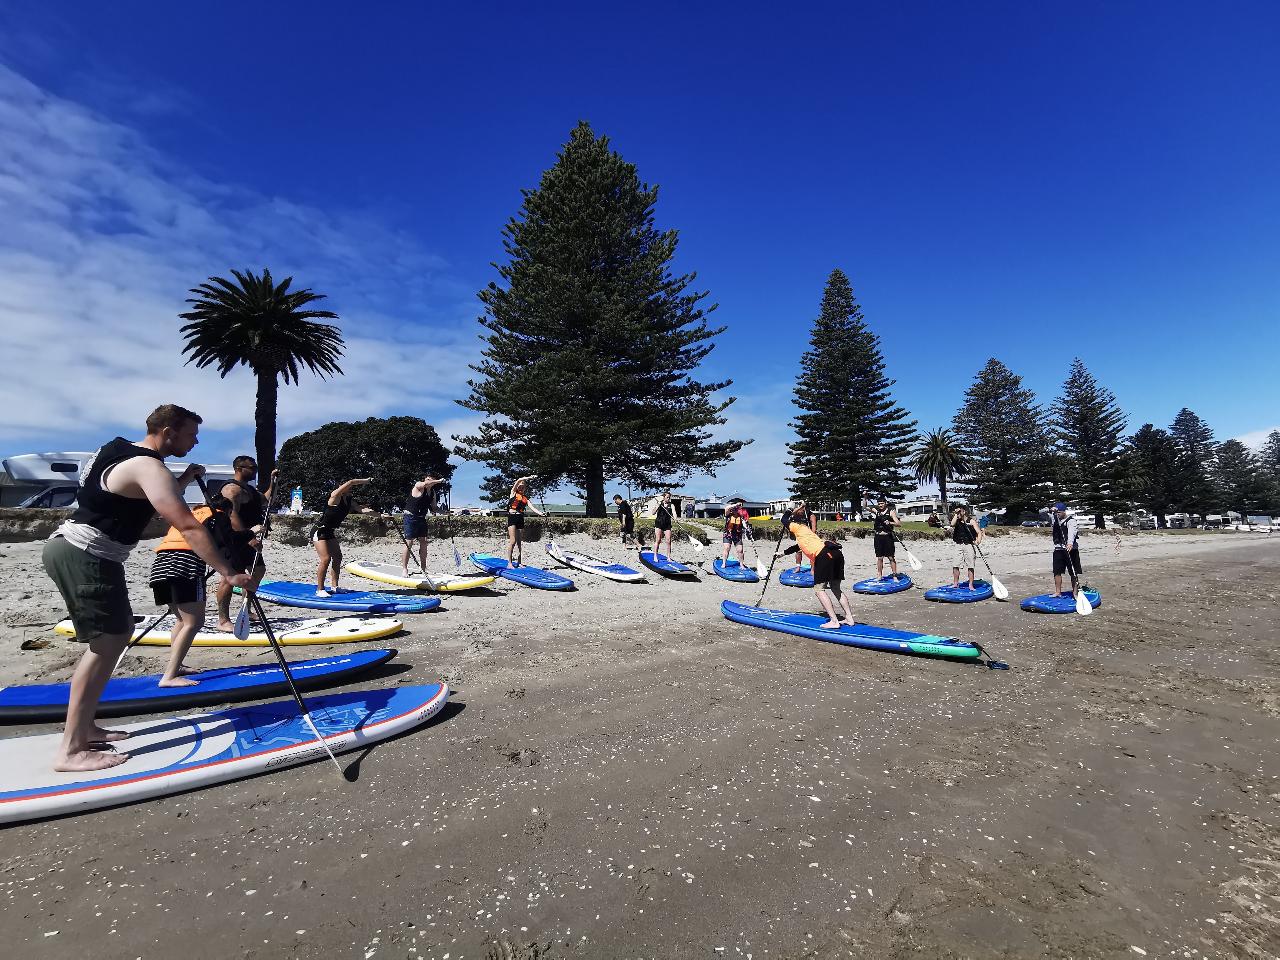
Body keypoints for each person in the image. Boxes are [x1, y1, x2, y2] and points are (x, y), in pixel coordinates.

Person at [41, 404, 252, 771]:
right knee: (108, 641)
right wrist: (229, 572)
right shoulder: (150, 466)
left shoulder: (118, 451)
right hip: (86, 552)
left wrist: (182, 480)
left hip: (81, 548)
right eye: (191, 434)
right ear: (169, 431)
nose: (196, 441)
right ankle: (71, 749)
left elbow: (137, 502)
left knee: (113, 638)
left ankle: (85, 726)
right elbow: (188, 526)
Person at [149, 501, 219, 686]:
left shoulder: (191, 513)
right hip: (186, 566)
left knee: (182, 621)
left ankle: (176, 666)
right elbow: (223, 546)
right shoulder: (217, 517)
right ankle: (169, 676)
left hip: (160, 565)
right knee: (193, 622)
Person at [214, 456, 277, 632]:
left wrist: (273, 482)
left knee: (258, 571)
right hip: (234, 540)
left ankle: (246, 610)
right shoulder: (231, 489)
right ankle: (223, 620)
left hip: (249, 539)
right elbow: (232, 515)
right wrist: (249, 537)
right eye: (252, 467)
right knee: (229, 577)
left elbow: (267, 499)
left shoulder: (249, 490)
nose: (255, 470)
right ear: (239, 468)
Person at [778, 516, 854, 629]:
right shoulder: (807, 534)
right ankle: (849, 618)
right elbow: (797, 547)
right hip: (837, 554)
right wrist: (782, 553)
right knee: (835, 588)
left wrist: (790, 509)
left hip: (825, 556)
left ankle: (834, 621)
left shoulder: (798, 527)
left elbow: (783, 519)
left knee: (819, 590)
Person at [312, 477, 372, 596]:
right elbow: (351, 481)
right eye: (349, 487)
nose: (351, 488)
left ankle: (335, 587)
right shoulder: (335, 495)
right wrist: (367, 481)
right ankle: (320, 589)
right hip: (319, 531)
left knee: (338, 557)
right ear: (342, 487)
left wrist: (381, 515)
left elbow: (362, 509)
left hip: (330, 532)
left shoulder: (348, 499)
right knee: (325, 559)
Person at [402, 475, 448, 576]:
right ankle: (404, 569)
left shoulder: (432, 493)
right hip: (410, 517)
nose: (427, 481)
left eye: (429, 479)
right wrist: (439, 481)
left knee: (424, 541)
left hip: (421, 517)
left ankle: (423, 568)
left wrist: (445, 512)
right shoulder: (418, 485)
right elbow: (426, 484)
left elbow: (434, 508)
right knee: (409, 542)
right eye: (426, 479)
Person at [506, 476, 544, 565]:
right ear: (517, 486)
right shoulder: (513, 493)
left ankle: (519, 562)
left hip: (520, 518)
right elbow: (519, 479)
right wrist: (530, 477)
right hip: (512, 517)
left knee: (519, 542)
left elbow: (532, 508)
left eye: (523, 486)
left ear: (525, 488)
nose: (521, 487)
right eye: (519, 485)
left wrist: (541, 513)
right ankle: (510, 563)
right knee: (513, 541)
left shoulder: (525, 499)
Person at [1050, 501, 1083, 596]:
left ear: (1064, 512)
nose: (1058, 514)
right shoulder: (1055, 519)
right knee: (1057, 571)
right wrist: (1051, 510)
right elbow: (1043, 513)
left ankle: (1075, 592)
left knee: (1073, 572)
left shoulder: (1071, 521)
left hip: (1070, 549)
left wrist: (1070, 543)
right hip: (1058, 548)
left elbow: (1072, 533)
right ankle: (1057, 592)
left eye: (1059, 512)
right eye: (1056, 513)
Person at [947, 504, 983, 589]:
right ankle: (955, 583)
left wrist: (978, 541)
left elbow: (979, 532)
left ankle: (970, 584)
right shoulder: (957, 520)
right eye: (957, 512)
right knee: (955, 565)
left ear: (964, 512)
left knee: (970, 565)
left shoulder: (971, 521)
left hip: (969, 545)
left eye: (960, 511)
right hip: (958, 544)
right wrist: (956, 514)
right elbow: (952, 524)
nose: (958, 513)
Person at [779, 499, 817, 572]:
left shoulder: (812, 516)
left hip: (808, 535)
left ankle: (812, 569)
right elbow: (791, 514)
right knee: (798, 551)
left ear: (808, 509)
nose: (802, 511)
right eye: (802, 509)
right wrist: (800, 507)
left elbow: (814, 528)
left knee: (812, 552)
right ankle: (798, 567)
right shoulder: (799, 512)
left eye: (804, 509)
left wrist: (810, 537)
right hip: (798, 533)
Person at [872, 498, 902, 579]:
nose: (880, 505)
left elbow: (899, 524)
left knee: (891, 557)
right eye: (879, 504)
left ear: (885, 503)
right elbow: (865, 506)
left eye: (882, 503)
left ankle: (895, 575)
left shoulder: (891, 511)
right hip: (878, 537)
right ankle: (879, 575)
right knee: (880, 558)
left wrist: (890, 522)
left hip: (888, 537)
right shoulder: (876, 511)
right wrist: (864, 497)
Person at [720, 498, 752, 567]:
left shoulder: (741, 515)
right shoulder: (728, 513)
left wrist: (747, 528)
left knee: (740, 550)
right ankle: (724, 563)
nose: (736, 509)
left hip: (737, 535)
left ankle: (741, 564)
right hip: (728, 534)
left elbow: (745, 523)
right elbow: (727, 508)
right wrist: (735, 505)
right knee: (727, 548)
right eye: (735, 508)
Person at [652, 491, 676, 558]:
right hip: (659, 523)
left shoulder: (671, 505)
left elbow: (674, 513)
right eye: (667, 497)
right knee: (658, 540)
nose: (668, 499)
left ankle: (668, 557)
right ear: (664, 497)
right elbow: (653, 513)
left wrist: (675, 518)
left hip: (667, 524)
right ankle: (655, 555)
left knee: (668, 540)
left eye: (669, 497)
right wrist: (658, 506)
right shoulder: (659, 503)